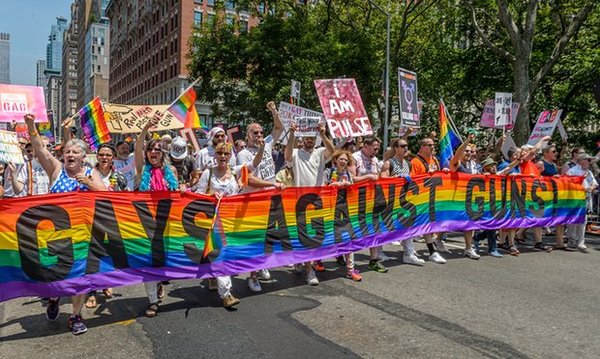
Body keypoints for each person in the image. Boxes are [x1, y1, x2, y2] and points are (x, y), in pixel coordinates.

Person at [24, 113, 107, 335]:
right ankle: (53, 299)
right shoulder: (56, 169)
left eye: (75, 152)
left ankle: (75, 316)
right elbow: (40, 149)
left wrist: (89, 184)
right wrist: (32, 125)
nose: (70, 154)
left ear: (83, 156)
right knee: (54, 276)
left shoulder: (91, 172)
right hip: (55, 236)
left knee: (80, 276)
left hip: (83, 236)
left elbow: (108, 196)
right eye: (67, 151)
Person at [196, 141, 262, 307]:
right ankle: (226, 294)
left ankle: (212, 277)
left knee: (226, 254)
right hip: (213, 220)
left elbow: (254, 164)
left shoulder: (235, 171)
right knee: (221, 254)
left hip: (232, 221)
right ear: (215, 156)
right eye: (220, 153)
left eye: (226, 154)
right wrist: (211, 195)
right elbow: (198, 194)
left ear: (230, 156)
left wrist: (261, 148)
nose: (223, 157)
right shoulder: (208, 173)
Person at [236, 101, 285, 292]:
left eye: (260, 132)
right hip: (253, 202)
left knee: (268, 237)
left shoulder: (267, 142)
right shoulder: (243, 155)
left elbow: (279, 127)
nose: (258, 135)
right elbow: (250, 181)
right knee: (255, 238)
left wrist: (274, 111)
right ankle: (252, 276)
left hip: (270, 199)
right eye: (254, 133)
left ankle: (261, 265)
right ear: (247, 136)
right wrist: (272, 184)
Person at [134, 117, 180, 317]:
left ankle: (160, 280)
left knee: (163, 260)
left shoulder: (171, 171)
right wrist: (145, 128)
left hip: (166, 223)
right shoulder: (142, 169)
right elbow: (137, 148)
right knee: (147, 261)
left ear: (163, 153)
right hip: (146, 223)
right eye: (150, 149)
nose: (153, 152)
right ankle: (153, 301)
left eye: (157, 149)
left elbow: (177, 196)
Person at [285, 121, 335, 286]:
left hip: (317, 201)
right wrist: (292, 133)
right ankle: (309, 270)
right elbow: (286, 156)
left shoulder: (320, 152)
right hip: (300, 201)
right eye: (307, 137)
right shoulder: (296, 153)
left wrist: (322, 133)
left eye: (312, 138)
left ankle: (304, 261)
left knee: (314, 236)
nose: (309, 140)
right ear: (302, 138)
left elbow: (332, 151)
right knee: (304, 236)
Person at [380, 138, 425, 266]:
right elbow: (382, 179)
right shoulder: (389, 163)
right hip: (390, 201)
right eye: (402, 146)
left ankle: (408, 253)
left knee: (408, 225)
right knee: (386, 226)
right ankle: (378, 252)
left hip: (404, 201)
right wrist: (396, 178)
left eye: (406, 146)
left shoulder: (408, 164)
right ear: (396, 148)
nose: (406, 148)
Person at [349, 136, 389, 273]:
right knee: (353, 231)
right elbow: (352, 179)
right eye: (374, 147)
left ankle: (374, 260)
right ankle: (347, 260)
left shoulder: (375, 160)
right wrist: (368, 177)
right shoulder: (354, 158)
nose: (377, 150)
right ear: (365, 146)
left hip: (372, 199)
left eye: (378, 147)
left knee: (375, 229)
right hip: (356, 201)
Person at [324, 150, 362, 281]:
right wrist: (335, 184)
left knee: (348, 237)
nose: (343, 161)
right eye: (341, 159)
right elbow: (322, 188)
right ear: (335, 160)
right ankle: (317, 261)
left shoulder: (348, 174)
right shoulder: (328, 172)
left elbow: (352, 190)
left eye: (346, 160)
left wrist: (348, 185)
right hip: (330, 210)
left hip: (345, 210)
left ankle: (350, 270)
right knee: (327, 236)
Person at [410, 137, 447, 264]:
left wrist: (443, 172)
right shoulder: (415, 162)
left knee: (428, 225)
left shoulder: (435, 160)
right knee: (418, 225)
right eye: (429, 145)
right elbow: (413, 181)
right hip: (421, 199)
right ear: (422, 147)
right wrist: (426, 174)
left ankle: (430, 251)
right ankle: (416, 251)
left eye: (433, 144)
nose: (432, 147)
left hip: (433, 198)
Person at [449, 133, 481, 260]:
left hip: (469, 200)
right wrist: (467, 140)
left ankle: (468, 248)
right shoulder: (456, 164)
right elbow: (457, 155)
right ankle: (439, 240)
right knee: (447, 222)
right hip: (454, 199)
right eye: (466, 150)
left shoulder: (472, 166)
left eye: (470, 151)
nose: (468, 153)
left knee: (470, 223)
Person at [566, 153, 598, 251]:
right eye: (588, 160)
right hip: (575, 200)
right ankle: (571, 240)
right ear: (582, 161)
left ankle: (580, 241)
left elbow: (594, 183)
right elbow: (568, 184)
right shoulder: (572, 171)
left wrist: (591, 188)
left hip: (586, 200)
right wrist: (582, 188)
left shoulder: (589, 172)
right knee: (573, 221)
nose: (589, 162)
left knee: (583, 221)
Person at [536, 144, 565, 249]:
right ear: (546, 153)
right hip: (542, 195)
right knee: (541, 218)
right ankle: (538, 242)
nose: (556, 153)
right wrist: (550, 178)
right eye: (554, 151)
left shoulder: (553, 164)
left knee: (559, 218)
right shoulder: (540, 164)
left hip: (553, 194)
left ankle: (560, 243)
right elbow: (534, 179)